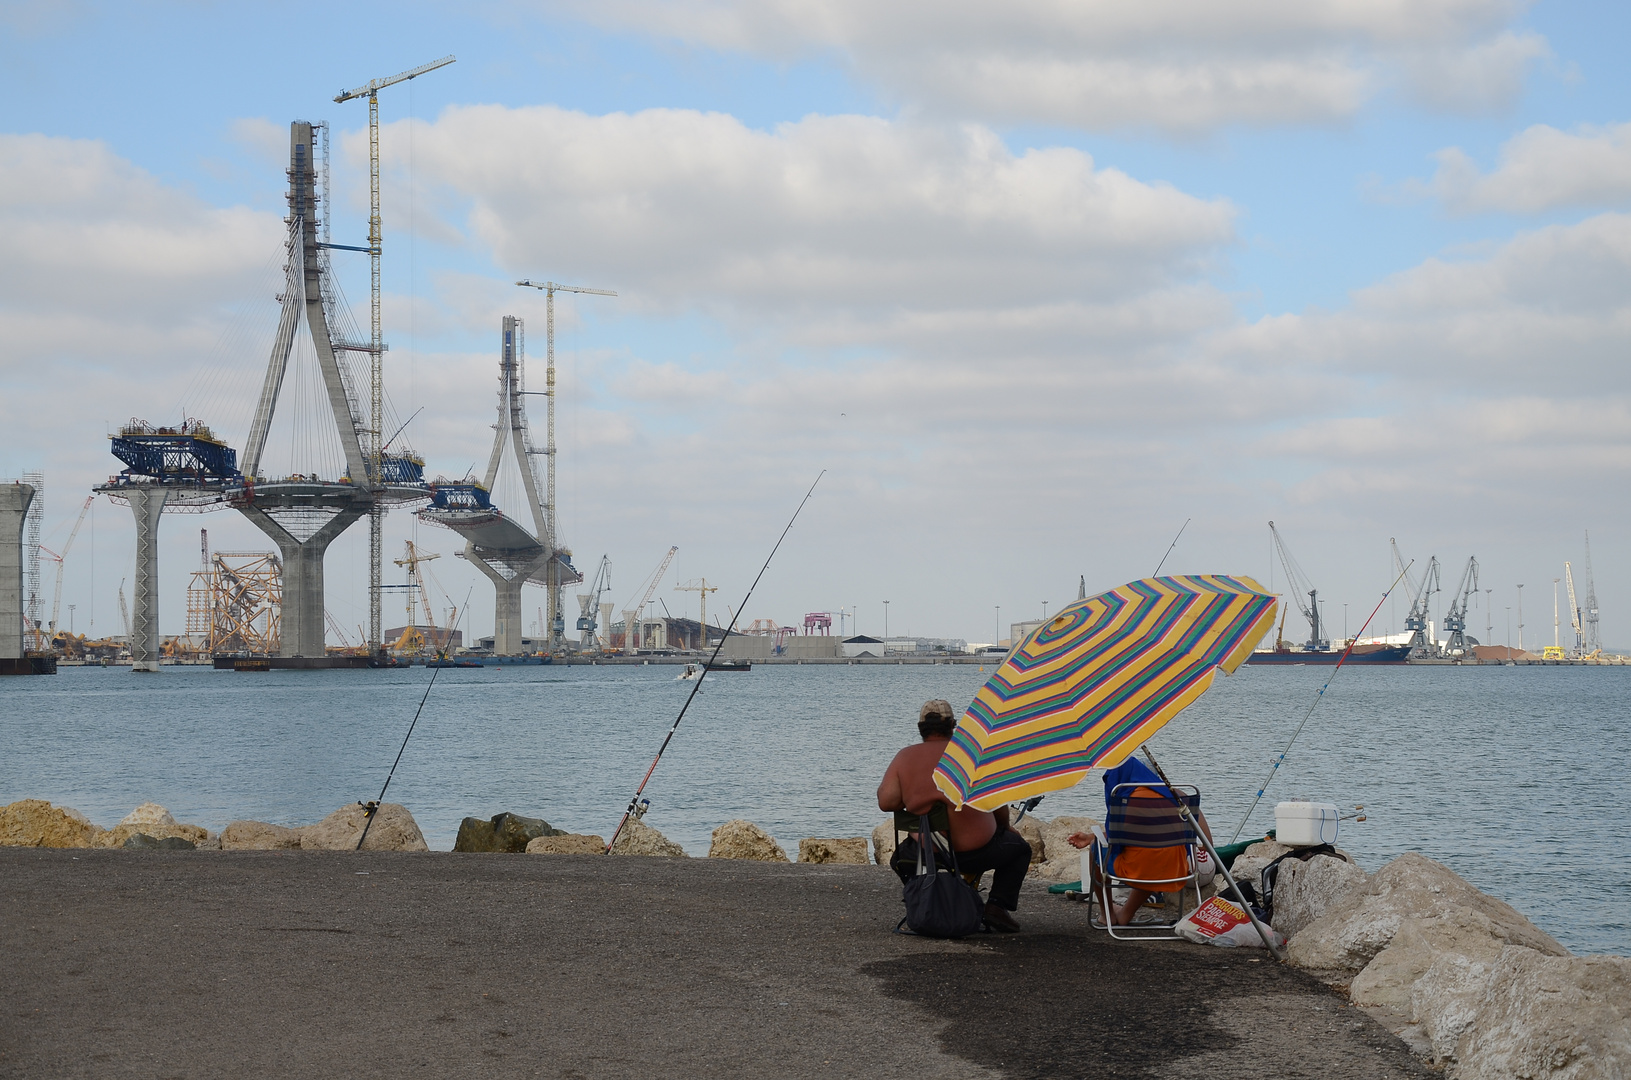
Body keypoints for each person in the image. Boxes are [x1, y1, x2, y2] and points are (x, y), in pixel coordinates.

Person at [877, 699, 1033, 932]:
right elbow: (995, 800)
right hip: (977, 852)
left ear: (921, 728)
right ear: (953, 725)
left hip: (929, 854)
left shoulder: (904, 757)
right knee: (1020, 848)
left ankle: (926, 899)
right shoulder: (972, 755)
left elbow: (886, 802)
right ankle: (997, 907)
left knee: (899, 858)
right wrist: (1004, 825)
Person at [1065, 757, 1213, 926]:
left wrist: (1094, 839)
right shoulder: (1177, 796)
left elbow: (1117, 839)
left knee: (1099, 849)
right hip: (1177, 868)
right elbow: (1206, 842)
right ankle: (1126, 913)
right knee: (1153, 852)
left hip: (1141, 869)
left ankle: (1107, 915)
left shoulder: (1125, 798)